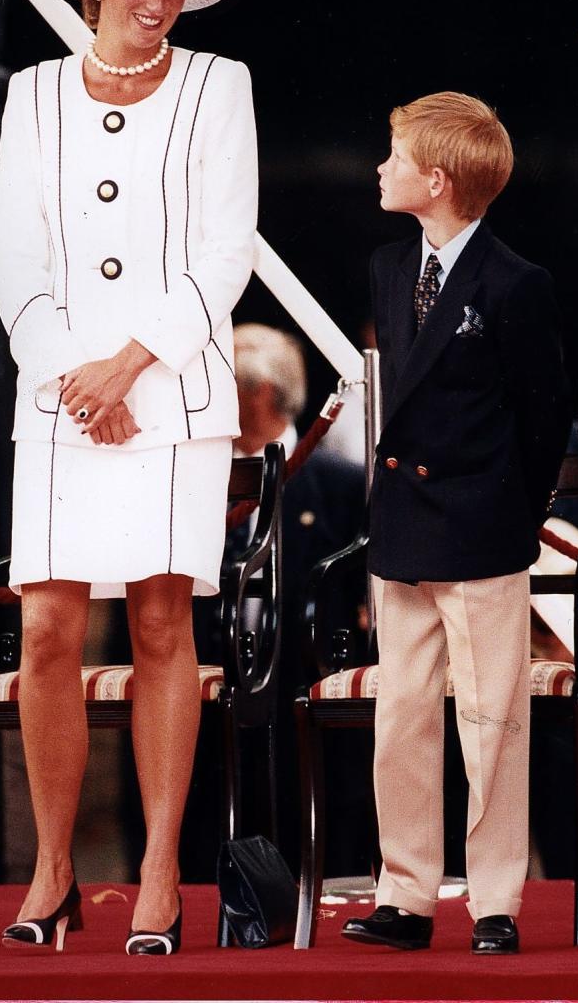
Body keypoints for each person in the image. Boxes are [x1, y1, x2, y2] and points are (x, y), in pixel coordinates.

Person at [0, 0, 258, 955]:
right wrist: (73, 377)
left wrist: (128, 368)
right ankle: (54, 871)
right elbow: (18, 258)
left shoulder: (219, 84)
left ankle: (157, 870)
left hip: (173, 397)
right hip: (60, 405)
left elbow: (223, 253)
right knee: (47, 629)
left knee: (160, 628)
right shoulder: (32, 94)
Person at [341, 91, 570, 956]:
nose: (380, 167)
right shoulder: (390, 268)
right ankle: (405, 893)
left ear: (435, 180)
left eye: (394, 156)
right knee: (400, 716)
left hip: (479, 530)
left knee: (492, 719)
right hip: (403, 526)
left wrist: (515, 515)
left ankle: (496, 897)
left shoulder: (516, 283)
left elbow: (541, 416)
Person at [230, 322, 368, 872]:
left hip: (308, 676)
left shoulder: (337, 482)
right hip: (222, 672)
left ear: (259, 393)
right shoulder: (200, 478)